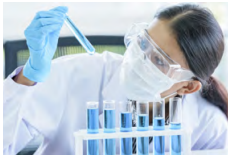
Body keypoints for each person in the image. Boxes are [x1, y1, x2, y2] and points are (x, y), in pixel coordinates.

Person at [3, 3, 228, 155]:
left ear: (188, 86)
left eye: (159, 61)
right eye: (143, 43)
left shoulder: (208, 125)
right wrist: (27, 78)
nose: (140, 59)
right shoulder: (79, 74)